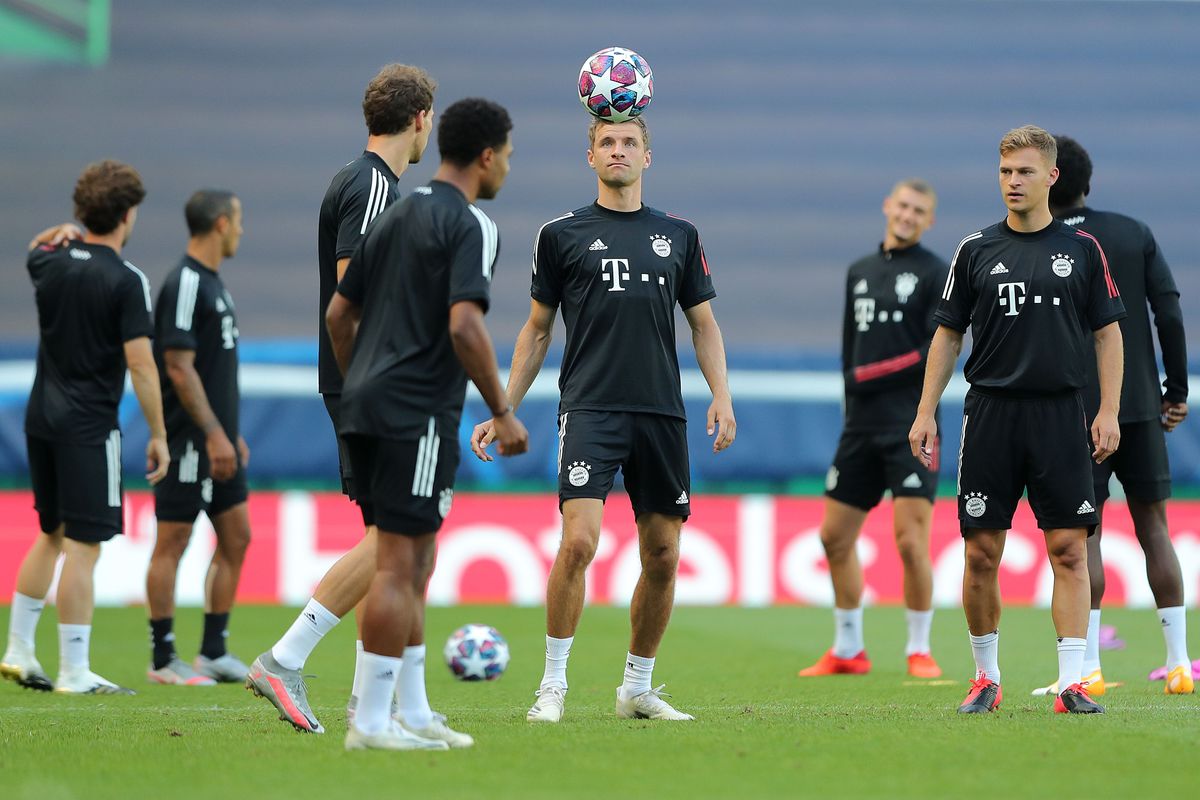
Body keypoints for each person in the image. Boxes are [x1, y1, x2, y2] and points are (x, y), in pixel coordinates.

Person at [470, 115, 737, 724]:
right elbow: (537, 329)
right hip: (591, 407)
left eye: (629, 142)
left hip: (662, 412)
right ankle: (553, 686)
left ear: (649, 156)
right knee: (580, 542)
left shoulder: (680, 234)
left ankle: (636, 688)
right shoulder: (561, 234)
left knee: (664, 554)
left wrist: (721, 395)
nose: (618, 150)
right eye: (607, 142)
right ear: (589, 156)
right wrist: (502, 407)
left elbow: (703, 324)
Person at [245, 64, 444, 735]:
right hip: (369, 385)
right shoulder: (371, 187)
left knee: (404, 542)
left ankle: (375, 699)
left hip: (368, 382)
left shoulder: (368, 183)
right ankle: (286, 658)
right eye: (431, 120)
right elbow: (350, 299)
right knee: (396, 540)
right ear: (420, 119)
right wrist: (380, 384)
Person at [327, 97, 527, 751]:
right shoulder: (463, 224)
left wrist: (362, 383)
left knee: (413, 562)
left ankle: (410, 712)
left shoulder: (396, 212)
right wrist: (502, 410)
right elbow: (465, 324)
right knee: (398, 565)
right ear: (489, 155)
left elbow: (338, 315)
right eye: (510, 156)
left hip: (369, 406)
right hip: (416, 414)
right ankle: (373, 724)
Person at [909, 125, 1125, 715]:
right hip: (992, 414)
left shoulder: (1082, 251)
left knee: (1069, 550)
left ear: (1051, 176)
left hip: (1061, 413)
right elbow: (948, 334)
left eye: (1025, 172)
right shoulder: (975, 249)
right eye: (1005, 172)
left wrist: (1107, 410)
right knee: (981, 551)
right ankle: (985, 677)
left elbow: (1109, 333)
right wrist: (926, 411)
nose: (1012, 182)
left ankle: (1072, 682)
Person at [1030, 135, 1193, 697]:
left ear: (1050, 180)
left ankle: (1090, 669)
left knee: (1084, 536)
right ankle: (1179, 664)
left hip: (1077, 410)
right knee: (1155, 530)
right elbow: (1167, 312)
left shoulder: (1041, 241)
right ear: (1088, 183)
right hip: (1141, 406)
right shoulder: (1131, 232)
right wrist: (1175, 388)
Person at [0, 160, 169, 695]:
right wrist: (160, 433)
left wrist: (60, 232)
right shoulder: (125, 279)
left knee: (49, 535)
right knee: (83, 547)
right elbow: (141, 365)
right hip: (89, 427)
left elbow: (36, 246)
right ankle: (74, 670)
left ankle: (19, 650)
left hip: (40, 418)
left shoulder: (47, 262)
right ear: (126, 214)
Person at [799, 179, 947, 680]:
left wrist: (867, 376)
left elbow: (934, 352)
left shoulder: (935, 272)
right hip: (860, 428)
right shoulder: (858, 272)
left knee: (910, 542)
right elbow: (849, 351)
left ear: (929, 220)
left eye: (918, 210)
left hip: (912, 425)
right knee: (833, 538)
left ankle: (919, 649)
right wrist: (853, 395)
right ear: (888, 207)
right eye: (902, 205)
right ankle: (848, 649)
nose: (907, 215)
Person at [145, 190, 252, 686]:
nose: (241, 230)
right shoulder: (185, 282)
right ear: (220, 224)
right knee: (174, 540)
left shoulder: (214, 284)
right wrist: (211, 433)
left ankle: (213, 650)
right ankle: (163, 656)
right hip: (190, 440)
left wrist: (232, 434)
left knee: (237, 536)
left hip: (220, 442)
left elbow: (213, 368)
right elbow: (178, 367)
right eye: (238, 221)